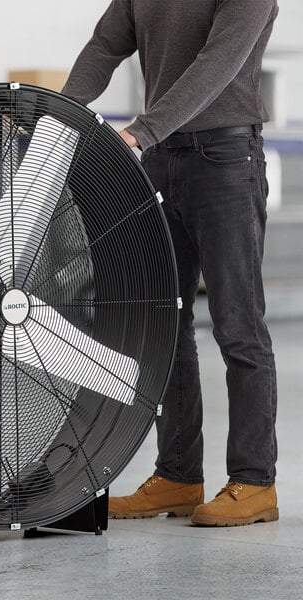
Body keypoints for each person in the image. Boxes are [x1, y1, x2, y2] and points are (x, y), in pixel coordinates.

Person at [62, 0, 280, 527]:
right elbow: (106, 43)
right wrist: (62, 113)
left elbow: (218, 61)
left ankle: (255, 483)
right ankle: (179, 476)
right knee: (166, 323)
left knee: (238, 326)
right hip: (160, 160)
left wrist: (141, 130)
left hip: (225, 161)